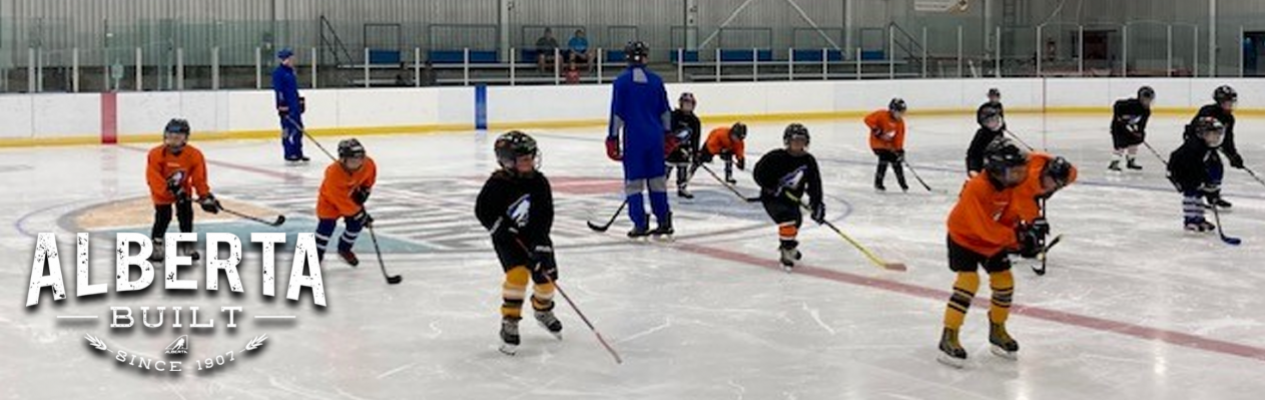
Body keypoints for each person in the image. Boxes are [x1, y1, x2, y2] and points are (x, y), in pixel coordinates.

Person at [938, 137, 1047, 368]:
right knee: (967, 283)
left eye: (1021, 172)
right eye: (1014, 172)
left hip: (991, 241)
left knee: (1004, 282)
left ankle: (997, 330)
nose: (1019, 177)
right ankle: (949, 335)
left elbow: (1011, 216)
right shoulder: (976, 188)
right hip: (964, 239)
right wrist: (1013, 238)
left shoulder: (1011, 187)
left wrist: (1026, 232)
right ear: (996, 170)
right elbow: (982, 228)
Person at [475, 131, 562, 356]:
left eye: (531, 157)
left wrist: (540, 245)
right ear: (507, 162)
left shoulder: (539, 182)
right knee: (518, 276)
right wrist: (501, 228)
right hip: (508, 240)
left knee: (547, 281)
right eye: (524, 159)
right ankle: (510, 320)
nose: (530, 162)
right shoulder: (496, 184)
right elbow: (483, 210)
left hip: (536, 237)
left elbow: (545, 215)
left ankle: (542, 310)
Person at [606, 41, 674, 239]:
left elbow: (617, 114)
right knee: (657, 182)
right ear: (645, 56)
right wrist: (668, 135)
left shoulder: (621, 82)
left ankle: (640, 223)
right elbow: (665, 112)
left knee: (634, 183)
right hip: (655, 137)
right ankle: (664, 221)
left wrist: (612, 139)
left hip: (634, 139)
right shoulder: (656, 81)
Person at [146, 119, 220, 262]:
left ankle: (187, 243)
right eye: (170, 136)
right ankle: (156, 244)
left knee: (186, 214)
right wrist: (168, 191)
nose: (173, 140)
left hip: (183, 190)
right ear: (165, 136)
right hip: (161, 191)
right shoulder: (155, 154)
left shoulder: (194, 154)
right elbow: (153, 178)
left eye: (178, 137)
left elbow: (199, 178)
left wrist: (205, 196)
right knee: (163, 216)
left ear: (185, 138)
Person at [754, 124, 824, 270]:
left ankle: (788, 244)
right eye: (795, 140)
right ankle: (787, 250)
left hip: (792, 199)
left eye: (802, 140)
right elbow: (758, 172)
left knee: (796, 221)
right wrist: (770, 187)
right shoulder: (775, 157)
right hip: (773, 198)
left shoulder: (809, 161)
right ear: (787, 141)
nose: (798, 143)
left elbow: (814, 183)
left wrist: (817, 203)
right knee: (787, 220)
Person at [314, 139, 377, 266]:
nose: (358, 163)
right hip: (329, 202)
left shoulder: (368, 164)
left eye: (360, 159)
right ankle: (316, 255)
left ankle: (344, 248)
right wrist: (359, 214)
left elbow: (369, 178)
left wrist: (365, 190)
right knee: (325, 229)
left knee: (355, 226)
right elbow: (339, 199)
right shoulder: (333, 174)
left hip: (350, 199)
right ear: (343, 159)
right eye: (353, 161)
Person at [1185, 85, 1243, 209]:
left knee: (1217, 168)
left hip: (1210, 146)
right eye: (1228, 102)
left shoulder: (1229, 118)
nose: (1231, 105)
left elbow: (1227, 138)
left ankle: (1213, 196)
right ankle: (1202, 197)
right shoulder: (1208, 111)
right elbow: (1195, 129)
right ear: (1220, 101)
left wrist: (1233, 155)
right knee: (1205, 171)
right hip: (1198, 146)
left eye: (1232, 102)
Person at [1170, 118, 1228, 233]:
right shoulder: (1195, 147)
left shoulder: (1206, 146)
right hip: (1181, 172)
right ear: (1203, 133)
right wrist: (1206, 181)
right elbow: (1194, 167)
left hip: (1191, 171)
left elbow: (1205, 166)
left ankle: (1199, 219)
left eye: (1218, 134)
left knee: (1199, 194)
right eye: (1214, 134)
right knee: (1191, 193)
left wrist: (1210, 185)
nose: (1217, 137)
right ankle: (1190, 220)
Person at [272, 49, 308, 164]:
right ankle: (289, 153)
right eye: (291, 58)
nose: (293, 60)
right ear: (285, 59)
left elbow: (293, 90)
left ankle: (298, 152)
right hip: (286, 107)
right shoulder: (279, 73)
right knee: (287, 130)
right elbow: (279, 91)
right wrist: (281, 105)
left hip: (294, 106)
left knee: (298, 129)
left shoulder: (291, 71)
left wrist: (299, 101)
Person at [865, 98, 909, 191]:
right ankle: (878, 183)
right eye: (899, 112)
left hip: (889, 146)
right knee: (884, 159)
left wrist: (899, 150)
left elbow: (899, 138)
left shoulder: (900, 123)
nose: (901, 115)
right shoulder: (881, 114)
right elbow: (867, 119)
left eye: (902, 112)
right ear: (892, 110)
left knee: (896, 161)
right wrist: (877, 130)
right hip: (877, 144)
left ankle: (903, 184)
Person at [1109, 86, 1155, 171]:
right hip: (1119, 128)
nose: (1147, 102)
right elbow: (1117, 105)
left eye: (1149, 100)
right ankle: (1114, 162)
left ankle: (1131, 161)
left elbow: (1142, 124)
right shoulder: (1130, 104)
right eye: (1146, 99)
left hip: (1131, 128)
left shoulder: (1146, 111)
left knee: (1134, 142)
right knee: (1121, 144)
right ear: (1140, 98)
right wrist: (1118, 117)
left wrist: (1139, 132)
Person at [667, 92, 702, 198]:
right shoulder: (674, 116)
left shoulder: (695, 121)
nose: (687, 106)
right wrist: (673, 145)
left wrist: (696, 154)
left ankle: (682, 188)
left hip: (685, 150)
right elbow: (668, 132)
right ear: (681, 104)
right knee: (666, 169)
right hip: (671, 148)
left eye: (690, 104)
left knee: (683, 169)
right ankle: (659, 189)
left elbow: (695, 138)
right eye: (685, 103)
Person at [966, 107, 1005, 177]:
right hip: (983, 170)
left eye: (995, 120)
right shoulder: (981, 135)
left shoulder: (1000, 132)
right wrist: (973, 169)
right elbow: (972, 154)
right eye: (989, 121)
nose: (993, 123)